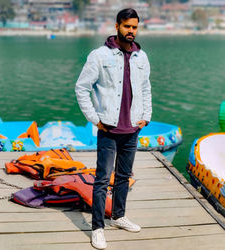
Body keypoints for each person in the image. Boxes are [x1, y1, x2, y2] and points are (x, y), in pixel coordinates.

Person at [75, 8, 152, 250]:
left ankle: (118, 216)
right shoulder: (99, 55)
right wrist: (94, 119)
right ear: (117, 25)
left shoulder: (142, 57)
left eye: (135, 27)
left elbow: (146, 88)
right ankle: (97, 227)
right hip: (108, 129)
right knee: (101, 180)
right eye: (127, 26)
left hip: (132, 129)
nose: (131, 31)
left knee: (123, 177)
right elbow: (81, 88)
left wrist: (146, 117)